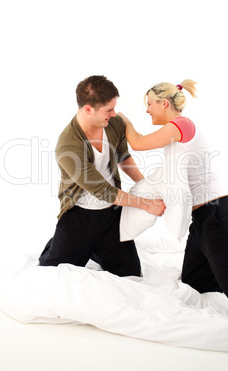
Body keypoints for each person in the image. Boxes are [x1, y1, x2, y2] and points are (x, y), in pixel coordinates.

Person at [118, 79, 228, 322]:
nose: (147, 109)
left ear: (164, 103)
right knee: (196, 281)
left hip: (218, 215)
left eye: (149, 104)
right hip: (204, 218)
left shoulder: (181, 125)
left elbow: (138, 143)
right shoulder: (176, 132)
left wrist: (124, 121)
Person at [39, 75, 166, 276]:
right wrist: (147, 204)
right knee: (51, 271)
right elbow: (103, 190)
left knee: (131, 273)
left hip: (111, 215)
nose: (115, 113)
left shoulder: (113, 124)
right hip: (79, 217)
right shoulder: (68, 145)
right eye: (109, 109)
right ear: (88, 109)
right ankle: (61, 242)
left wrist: (147, 185)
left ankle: (95, 249)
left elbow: (124, 157)